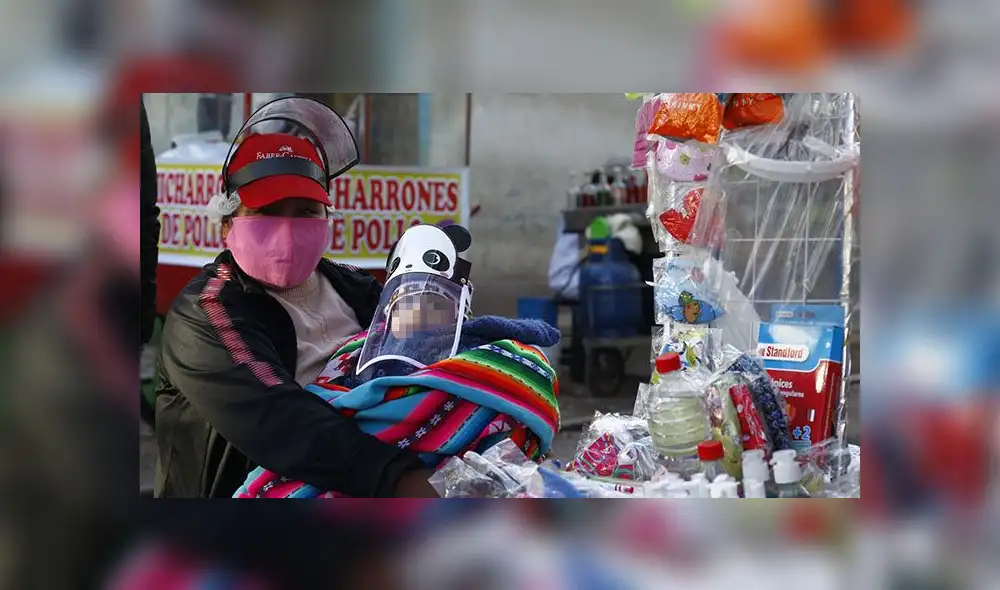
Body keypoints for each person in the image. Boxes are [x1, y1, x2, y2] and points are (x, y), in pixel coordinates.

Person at [154, 97, 436, 497]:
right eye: (267, 211)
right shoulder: (205, 313)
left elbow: (427, 352)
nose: (286, 229)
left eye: (305, 212)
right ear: (226, 225)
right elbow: (279, 417)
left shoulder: (355, 287)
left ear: (327, 222)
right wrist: (400, 479)